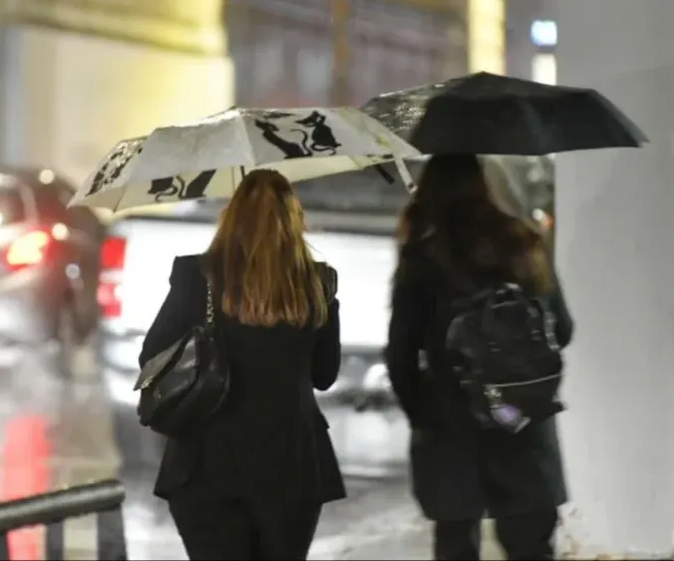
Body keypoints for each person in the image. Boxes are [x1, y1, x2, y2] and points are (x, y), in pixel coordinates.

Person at [138, 169, 346, 560]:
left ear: (230, 217)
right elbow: (324, 375)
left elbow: (151, 357)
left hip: (205, 462)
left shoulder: (196, 277)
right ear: (294, 220)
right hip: (291, 463)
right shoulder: (318, 282)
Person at [386, 154, 574, 560]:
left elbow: (400, 357)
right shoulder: (525, 245)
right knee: (531, 548)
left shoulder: (423, 258)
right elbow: (562, 330)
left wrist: (424, 415)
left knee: (457, 544)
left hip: (452, 426)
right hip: (522, 420)